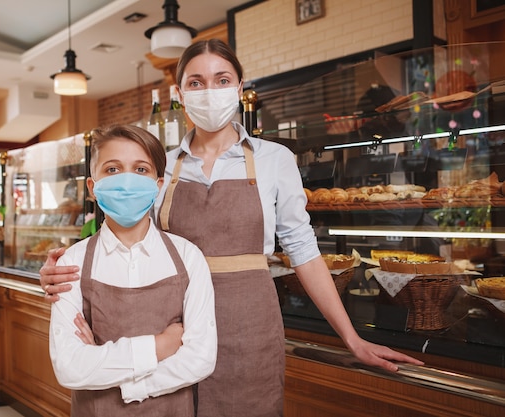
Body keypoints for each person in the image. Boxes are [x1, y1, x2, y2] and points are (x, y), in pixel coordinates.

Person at [41, 39, 423, 417]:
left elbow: (303, 250)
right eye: (196, 82)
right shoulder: (160, 167)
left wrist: (351, 337)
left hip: (249, 323)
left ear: (240, 88)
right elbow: (127, 232)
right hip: (170, 326)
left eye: (222, 80)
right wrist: (66, 269)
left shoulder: (274, 159)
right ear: (180, 93)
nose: (210, 91)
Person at [48, 124, 217, 417]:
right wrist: (160, 346)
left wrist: (125, 383)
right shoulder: (70, 264)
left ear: (158, 184)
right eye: (113, 170)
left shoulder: (188, 257)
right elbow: (69, 367)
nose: (126, 181)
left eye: (140, 170)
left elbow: (200, 359)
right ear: (92, 186)